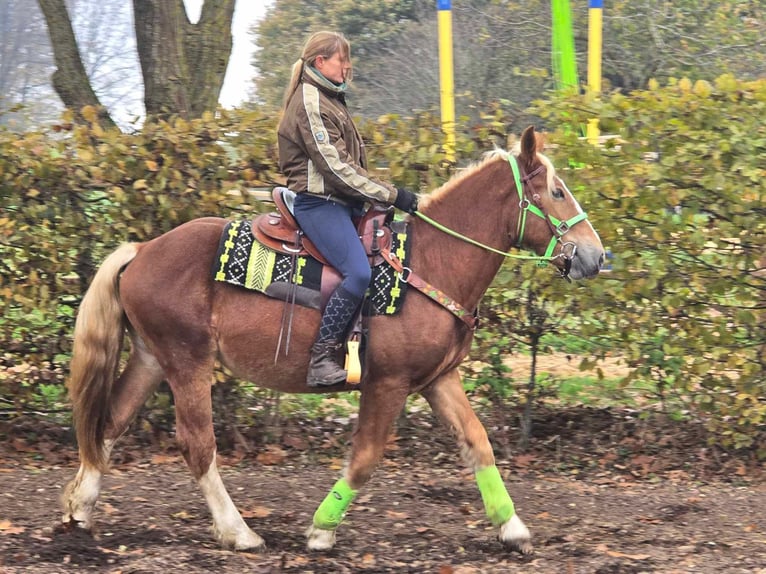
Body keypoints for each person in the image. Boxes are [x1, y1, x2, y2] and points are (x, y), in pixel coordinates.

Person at [277, 31, 419, 387]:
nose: (347, 65)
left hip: (341, 203)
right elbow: (335, 167)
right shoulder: (311, 101)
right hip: (319, 205)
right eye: (342, 59)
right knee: (358, 273)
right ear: (320, 62)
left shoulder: (329, 97)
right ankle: (321, 359)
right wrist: (392, 194)